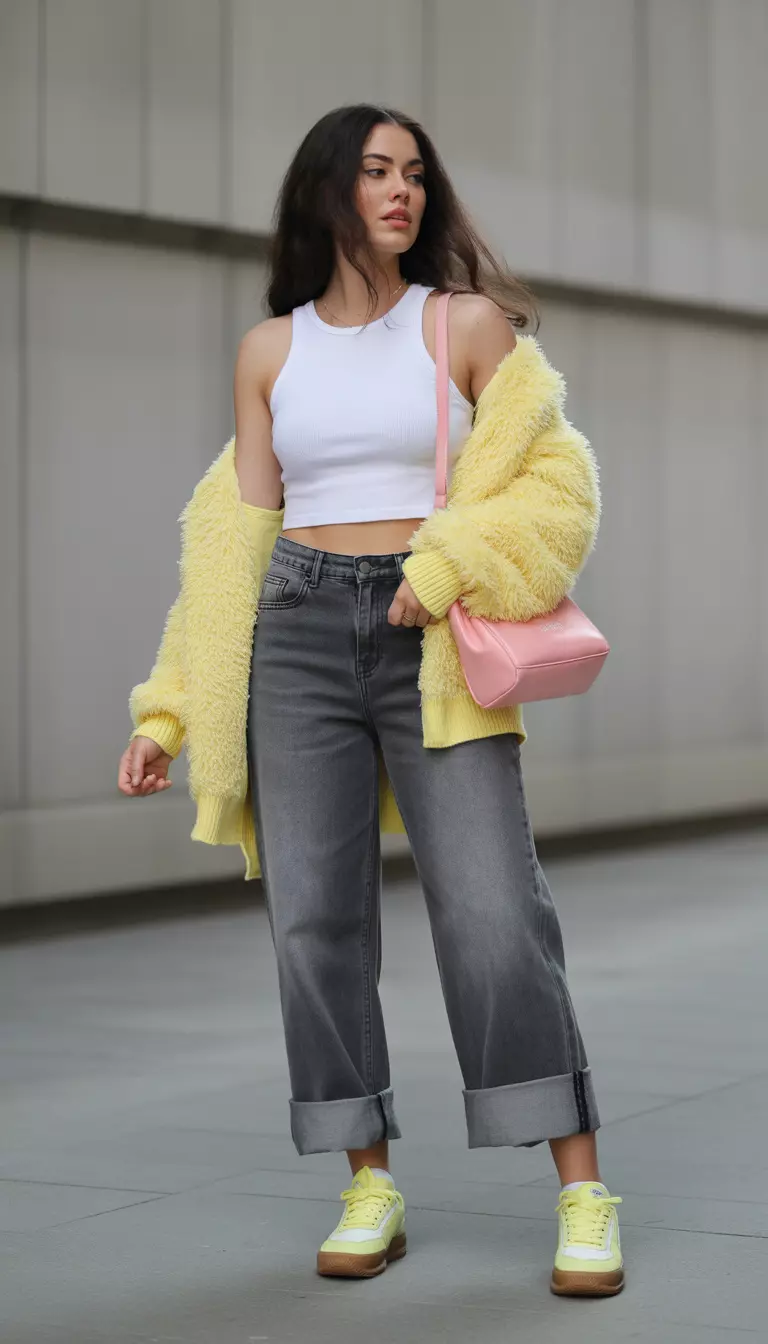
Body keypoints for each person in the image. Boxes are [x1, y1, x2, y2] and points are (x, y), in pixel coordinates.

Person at [118, 104, 623, 1297]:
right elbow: (228, 553)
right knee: (314, 925)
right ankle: (367, 1179)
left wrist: (439, 570)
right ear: (326, 191)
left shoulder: (465, 326)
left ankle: (584, 1191)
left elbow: (562, 494)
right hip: (293, 633)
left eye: (414, 175)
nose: (400, 192)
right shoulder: (268, 352)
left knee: (497, 918)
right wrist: (170, 709)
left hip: (429, 633)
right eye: (375, 173)